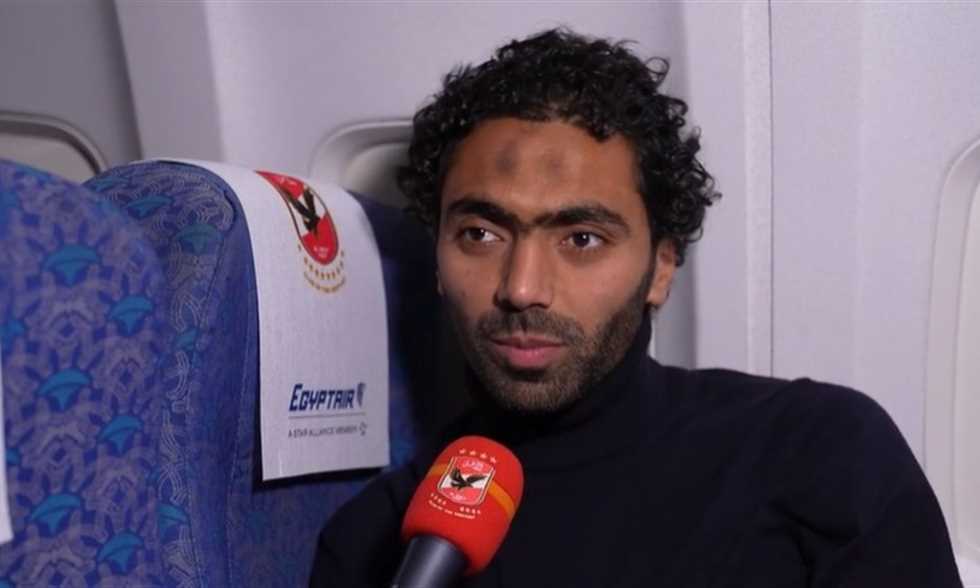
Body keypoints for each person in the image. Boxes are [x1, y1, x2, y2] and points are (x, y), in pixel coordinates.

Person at [310, 28, 962, 587]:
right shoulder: (374, 542)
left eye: (581, 239)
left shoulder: (822, 454)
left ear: (662, 266)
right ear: (438, 255)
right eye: (481, 234)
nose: (522, 288)